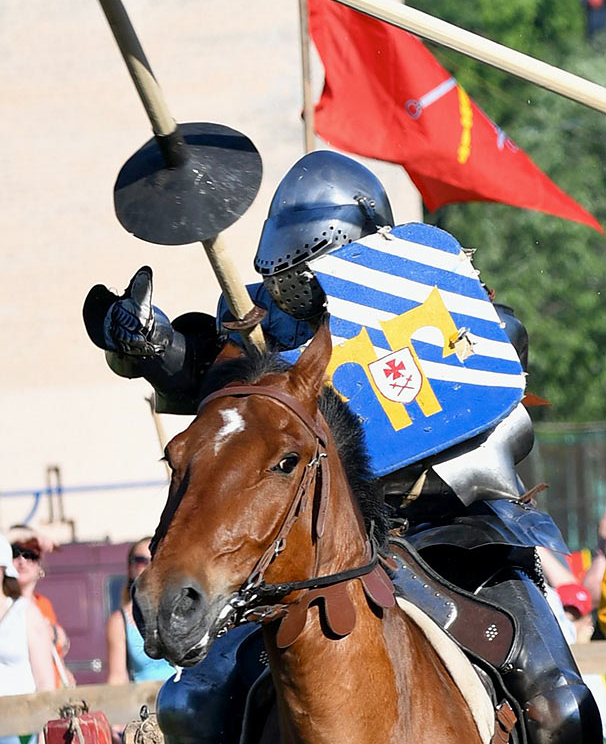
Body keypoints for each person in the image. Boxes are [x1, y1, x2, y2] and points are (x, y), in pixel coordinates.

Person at [82, 150, 601, 744]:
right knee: (190, 705)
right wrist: (156, 346)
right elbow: (210, 375)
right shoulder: (261, 328)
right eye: (284, 274)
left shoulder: (436, 309)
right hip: (314, 550)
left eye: (305, 271)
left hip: (453, 537)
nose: (291, 288)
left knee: (560, 706)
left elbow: (487, 374)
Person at [0, 532, 54, 744]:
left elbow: (45, 681)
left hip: (20, 728)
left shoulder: (25, 612)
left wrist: (43, 732)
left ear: (3, 569)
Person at [7, 526, 73, 688]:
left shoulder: (43, 603)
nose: (22, 560)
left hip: (51, 692)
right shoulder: (6, 605)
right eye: (14, 552)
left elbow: (54, 650)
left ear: (40, 565)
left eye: (30, 554)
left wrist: (60, 640)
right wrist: (24, 535)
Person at [106, 537, 174, 684]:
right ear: (130, 568)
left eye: (155, 559)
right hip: (143, 697)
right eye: (141, 561)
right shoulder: (120, 622)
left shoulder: (182, 613)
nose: (149, 566)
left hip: (181, 695)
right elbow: (117, 677)